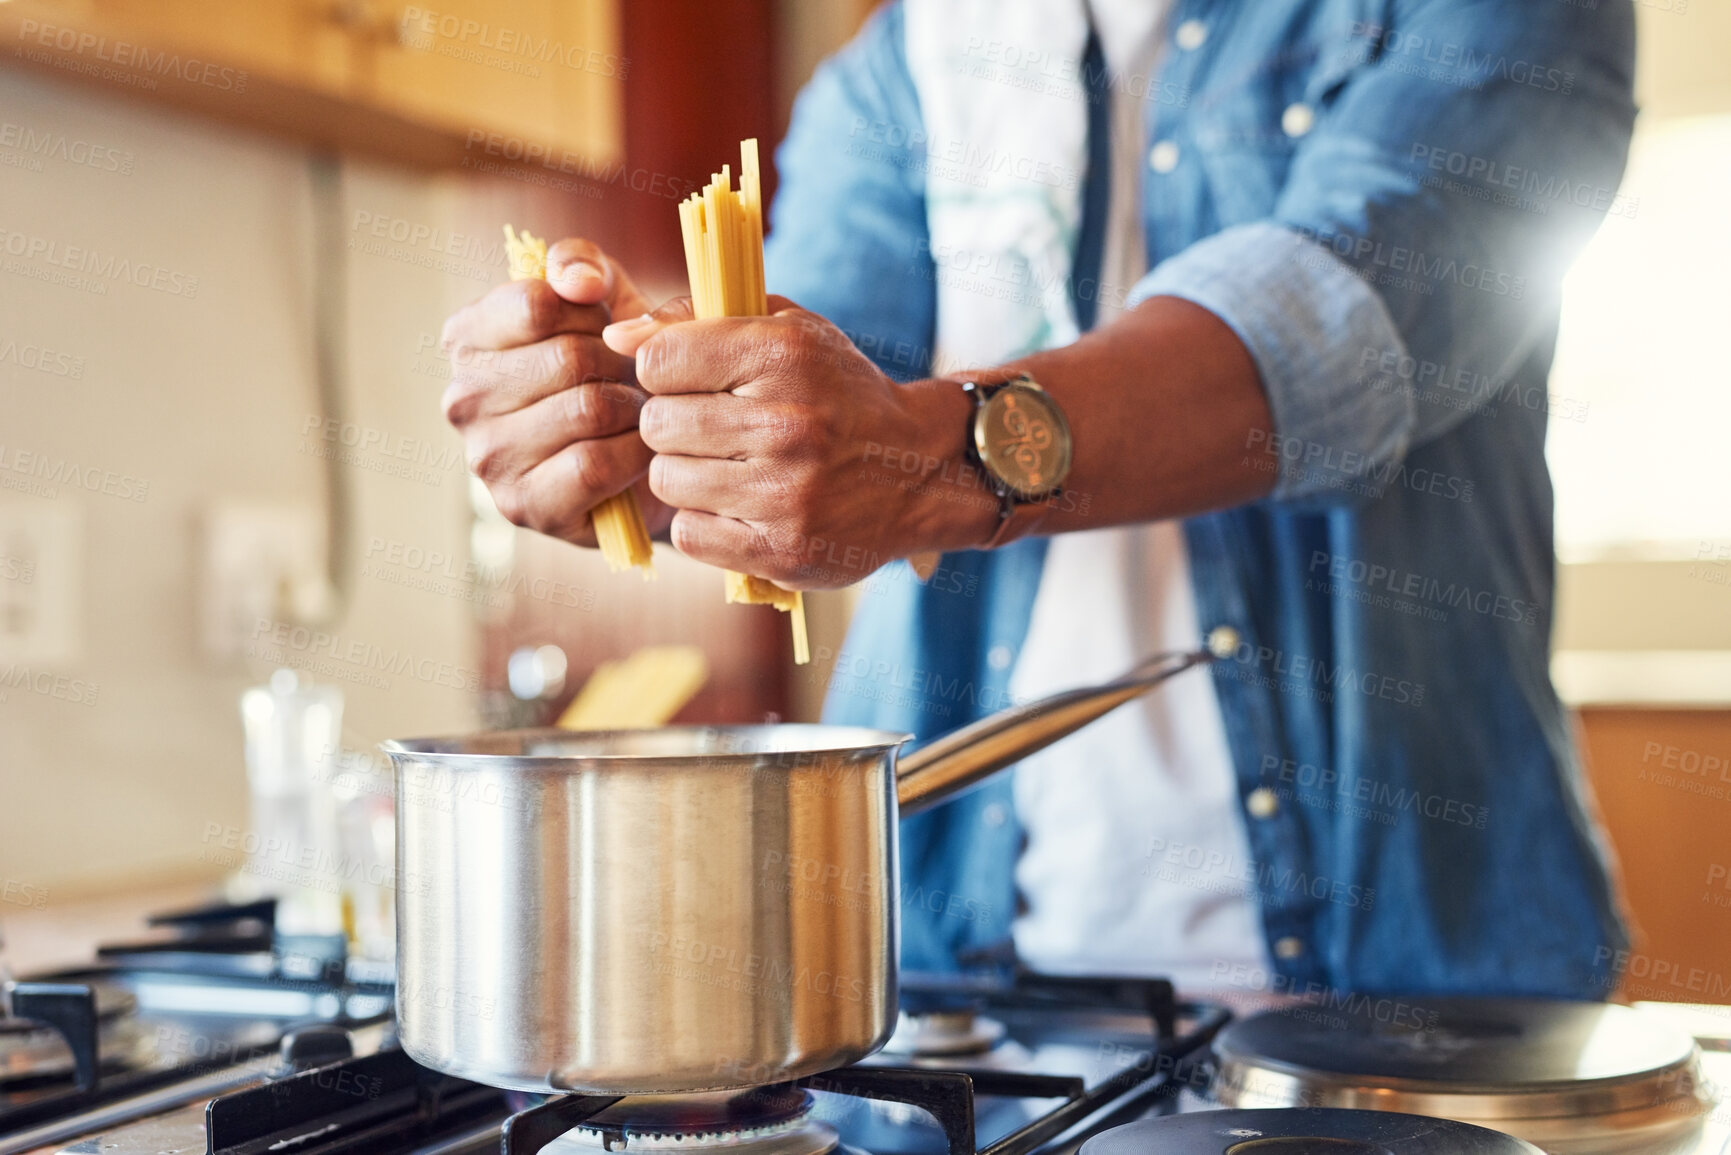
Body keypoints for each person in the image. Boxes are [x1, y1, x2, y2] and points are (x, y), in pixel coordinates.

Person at [438, 0, 1637, 998]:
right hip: (957, 995)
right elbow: (809, 421)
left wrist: (933, 454)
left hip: (1415, 1000)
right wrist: (628, 429)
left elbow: (1346, 327)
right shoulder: (899, 67)